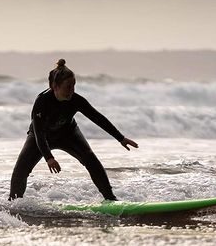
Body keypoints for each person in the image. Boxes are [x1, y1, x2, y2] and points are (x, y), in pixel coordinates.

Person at [9, 59, 139, 201]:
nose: (71, 90)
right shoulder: (42, 101)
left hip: (68, 134)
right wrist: (49, 157)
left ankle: (110, 199)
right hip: (40, 136)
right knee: (21, 170)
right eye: (68, 87)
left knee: (91, 160)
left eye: (73, 86)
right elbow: (39, 132)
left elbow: (97, 118)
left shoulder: (76, 100)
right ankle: (15, 203)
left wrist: (120, 138)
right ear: (55, 86)